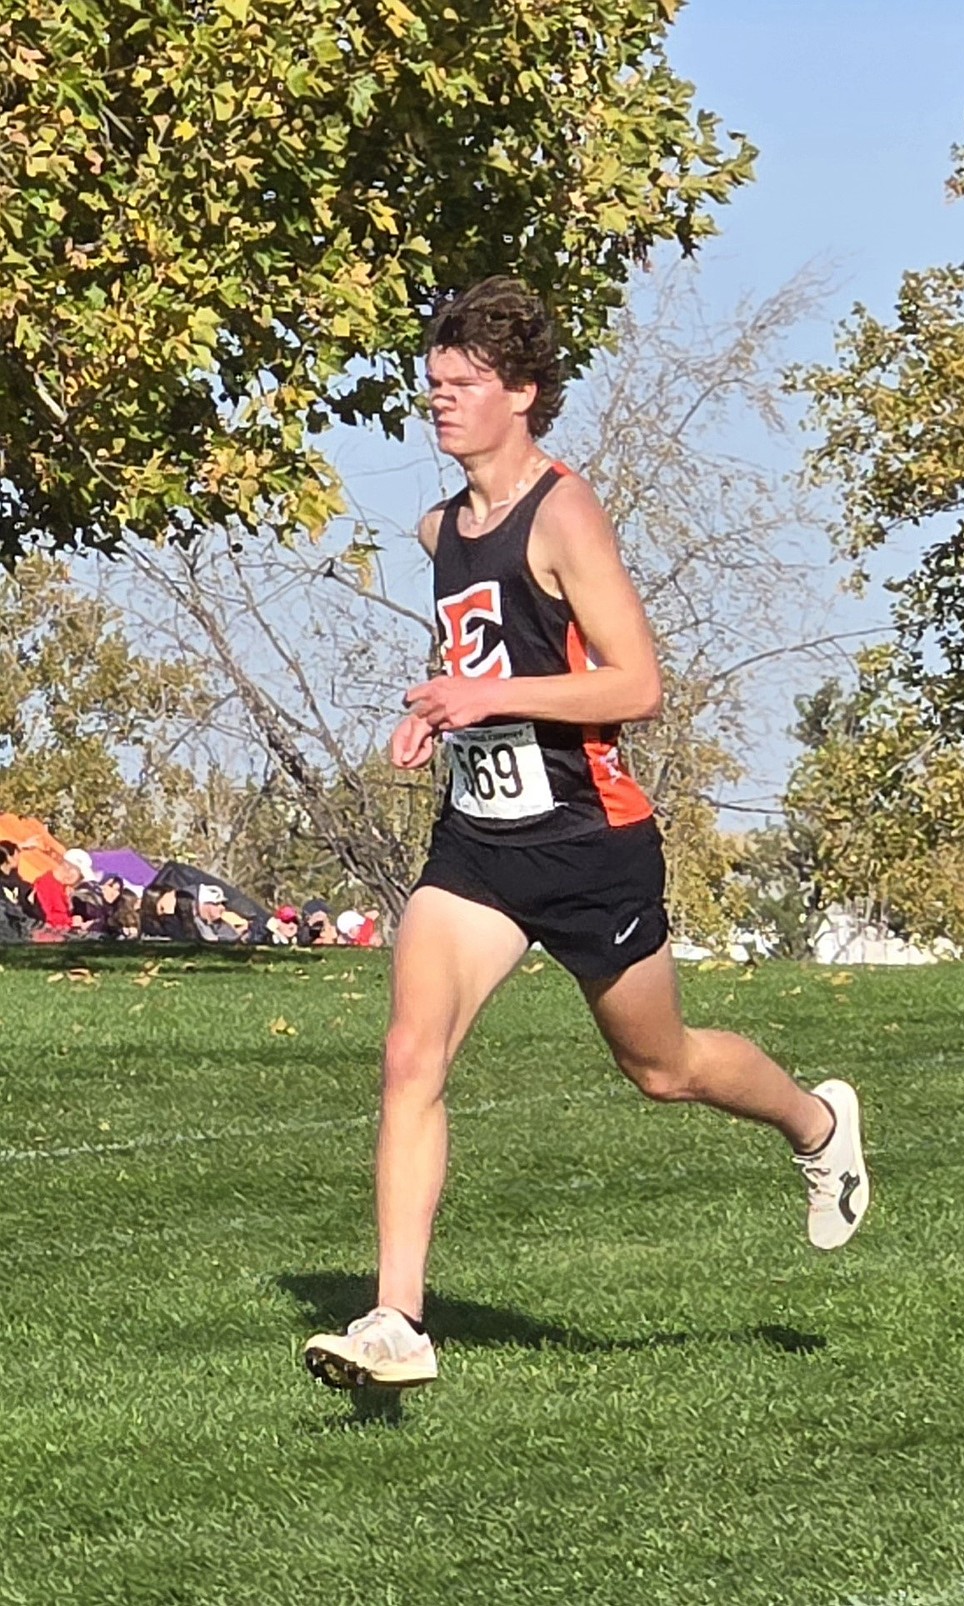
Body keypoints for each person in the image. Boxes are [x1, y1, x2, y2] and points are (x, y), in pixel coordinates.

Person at [304, 278, 870, 1392]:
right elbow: (481, 676)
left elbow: (638, 682)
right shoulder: (439, 529)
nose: (441, 404)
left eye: (464, 387)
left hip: (588, 842)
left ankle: (816, 1124)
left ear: (522, 393)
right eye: (434, 386)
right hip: (478, 847)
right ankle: (396, 1322)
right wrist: (437, 714)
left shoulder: (564, 513)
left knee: (661, 1069)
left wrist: (492, 696)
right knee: (410, 1056)